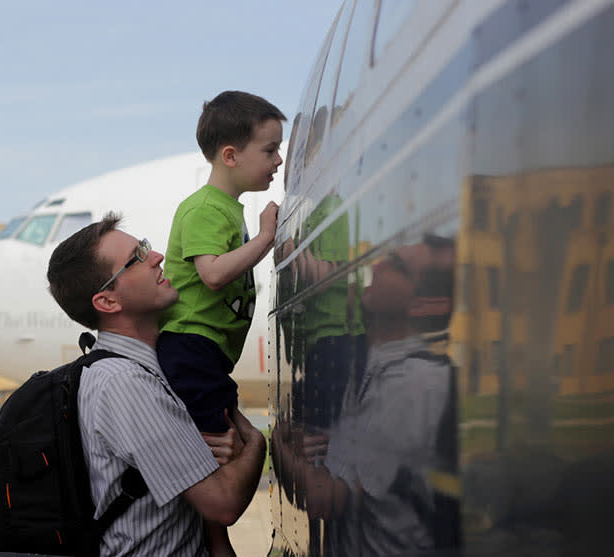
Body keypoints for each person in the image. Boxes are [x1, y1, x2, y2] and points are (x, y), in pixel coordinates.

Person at [47, 213, 266, 557]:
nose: (157, 257)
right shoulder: (127, 384)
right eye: (137, 258)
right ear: (108, 302)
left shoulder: (150, 370)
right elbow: (222, 503)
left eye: (144, 246)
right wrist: (257, 443)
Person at [271, 236, 460, 555]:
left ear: (422, 304)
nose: (378, 264)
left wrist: (277, 442)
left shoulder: (412, 386)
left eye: (397, 266)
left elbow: (321, 498)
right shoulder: (373, 370)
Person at [157, 90, 284, 552]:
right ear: (230, 155)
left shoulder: (227, 208)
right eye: (269, 150)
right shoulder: (207, 208)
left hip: (206, 354)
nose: (279, 159)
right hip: (190, 347)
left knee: (218, 442)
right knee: (213, 448)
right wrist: (267, 239)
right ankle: (216, 540)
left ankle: (213, 537)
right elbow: (211, 274)